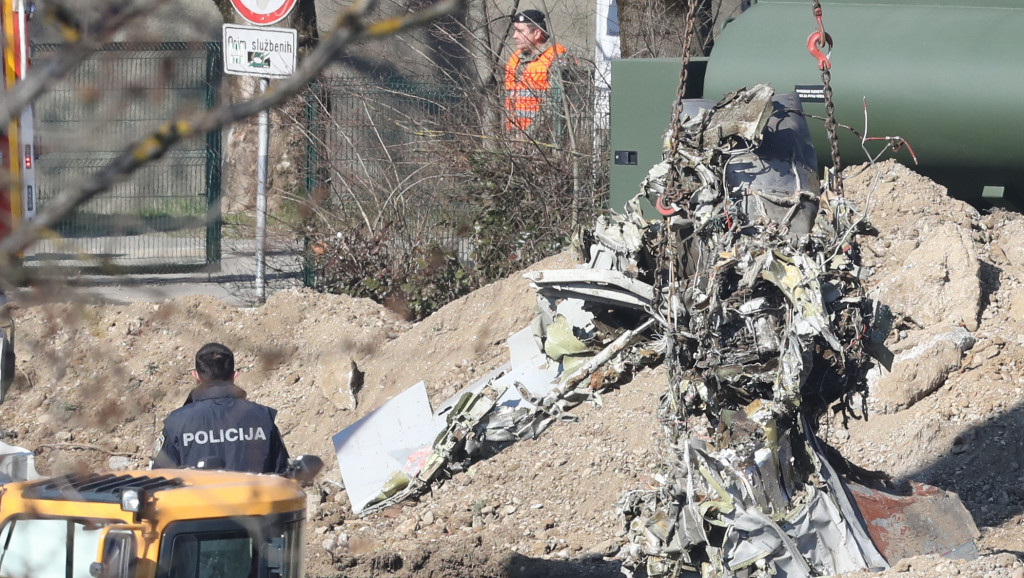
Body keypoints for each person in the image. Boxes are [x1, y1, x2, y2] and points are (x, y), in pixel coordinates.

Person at [152, 343, 289, 474]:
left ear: (196, 376)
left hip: (198, 497)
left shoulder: (176, 422)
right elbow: (283, 473)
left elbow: (159, 478)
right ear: (234, 375)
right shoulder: (262, 417)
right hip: (253, 497)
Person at [504, 9, 577, 135]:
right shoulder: (515, 59)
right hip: (515, 136)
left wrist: (528, 135)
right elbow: (508, 100)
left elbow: (554, 105)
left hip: (547, 139)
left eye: (520, 31)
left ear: (537, 33)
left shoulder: (558, 57)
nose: (514, 36)